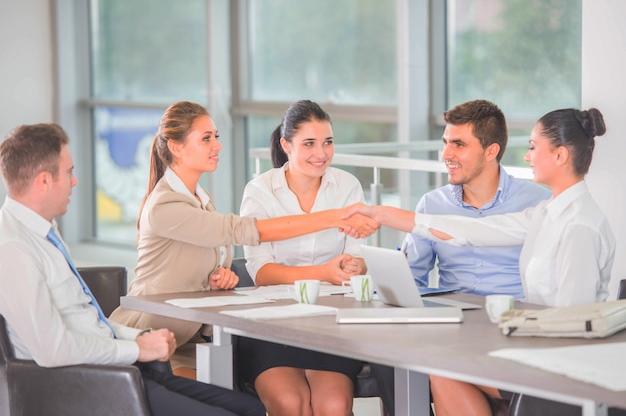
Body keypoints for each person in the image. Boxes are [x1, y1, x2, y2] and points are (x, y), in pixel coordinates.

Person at [344, 107, 616, 416]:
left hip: (555, 368)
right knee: (441, 366)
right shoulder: (547, 213)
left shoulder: (579, 226)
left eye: (532, 147)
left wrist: (508, 332)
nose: (527, 157)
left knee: (444, 367)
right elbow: (471, 231)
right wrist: (381, 214)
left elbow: (572, 324)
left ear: (560, 156)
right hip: (529, 347)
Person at [0, 123, 266, 416]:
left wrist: (138, 339)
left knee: (252, 407)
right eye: (68, 172)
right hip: (87, 385)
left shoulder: (42, 230)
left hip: (116, 369)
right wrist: (139, 349)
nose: (74, 182)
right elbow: (54, 350)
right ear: (44, 181)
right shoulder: (14, 249)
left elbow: (88, 322)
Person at [109, 101, 377, 372]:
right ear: (176, 147)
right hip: (148, 338)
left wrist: (218, 278)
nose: (217, 145)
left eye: (216, 137)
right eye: (206, 138)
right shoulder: (165, 205)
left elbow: (197, 260)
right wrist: (335, 217)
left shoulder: (200, 198)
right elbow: (244, 231)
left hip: (187, 338)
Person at [372, 99, 551, 415]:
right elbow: (409, 277)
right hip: (454, 327)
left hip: (513, 329)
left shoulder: (536, 202)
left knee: (443, 364)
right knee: (393, 357)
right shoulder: (432, 204)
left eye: (458, 144)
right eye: (445, 143)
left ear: (491, 151)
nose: (446, 155)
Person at [237, 100, 365, 416]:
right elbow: (262, 273)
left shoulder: (347, 186)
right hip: (270, 322)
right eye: (309, 143)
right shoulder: (260, 190)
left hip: (331, 322)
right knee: (290, 403)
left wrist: (355, 266)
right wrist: (322, 272)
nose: (320, 154)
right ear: (286, 144)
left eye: (327, 142)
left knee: (333, 405)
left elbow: (357, 254)